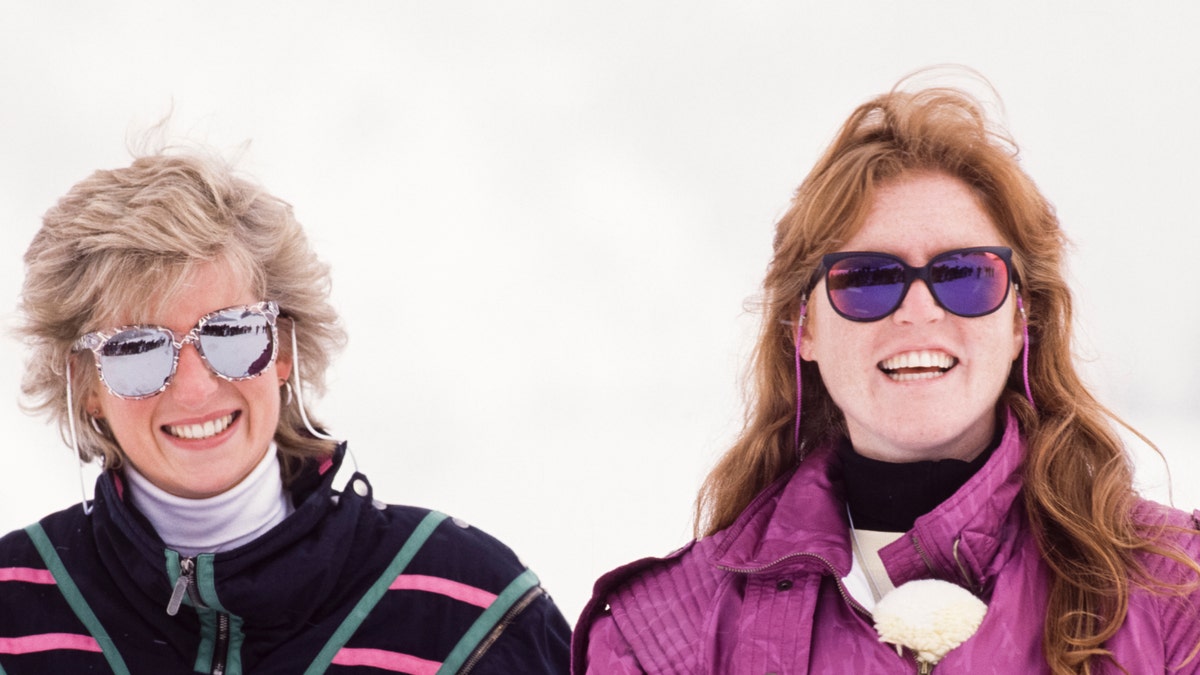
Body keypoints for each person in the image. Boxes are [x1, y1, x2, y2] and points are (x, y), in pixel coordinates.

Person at [573, 75, 1200, 674]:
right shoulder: (660, 637)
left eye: (965, 274)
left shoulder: (1175, 591)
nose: (919, 310)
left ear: (1019, 321)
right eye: (868, 279)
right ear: (805, 328)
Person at [0, 149, 571, 673]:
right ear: (86, 383)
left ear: (282, 349)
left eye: (231, 334)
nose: (195, 389)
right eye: (137, 349)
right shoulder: (12, 612)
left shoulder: (469, 610)